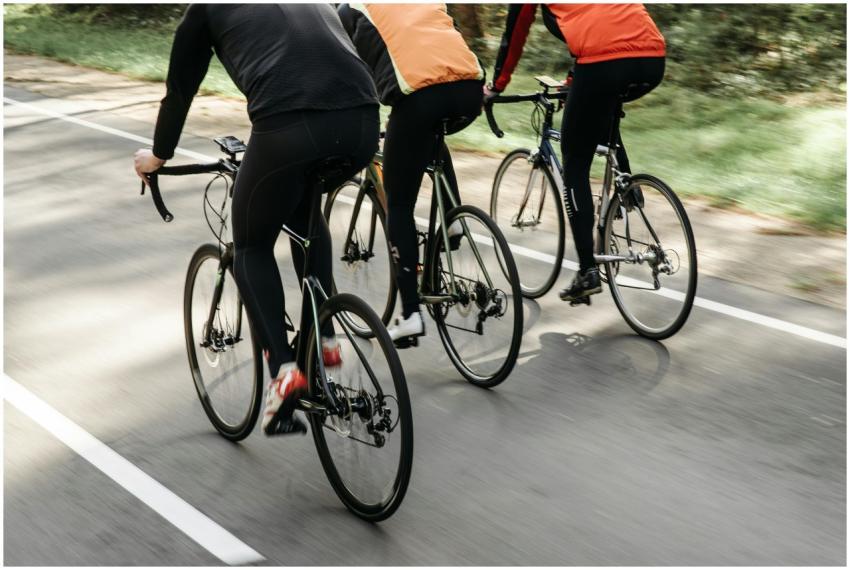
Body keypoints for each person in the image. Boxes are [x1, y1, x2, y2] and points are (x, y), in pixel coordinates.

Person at [133, 4, 379, 435]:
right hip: (362, 120)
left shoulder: (206, 9)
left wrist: (157, 157)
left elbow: (180, 90)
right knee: (306, 210)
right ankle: (324, 340)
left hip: (288, 124)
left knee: (249, 245)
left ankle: (285, 372)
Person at [484, 4, 666, 302]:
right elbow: (604, 22)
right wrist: (574, 80)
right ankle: (626, 186)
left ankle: (587, 271)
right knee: (600, 106)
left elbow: (515, 32)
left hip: (603, 62)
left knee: (575, 161)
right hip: (652, 57)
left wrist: (497, 86)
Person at [337, 3, 484, 345]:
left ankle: (410, 314)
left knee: (399, 205)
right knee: (429, 136)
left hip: (420, 98)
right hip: (470, 91)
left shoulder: (350, 10)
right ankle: (452, 217)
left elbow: (343, 71)